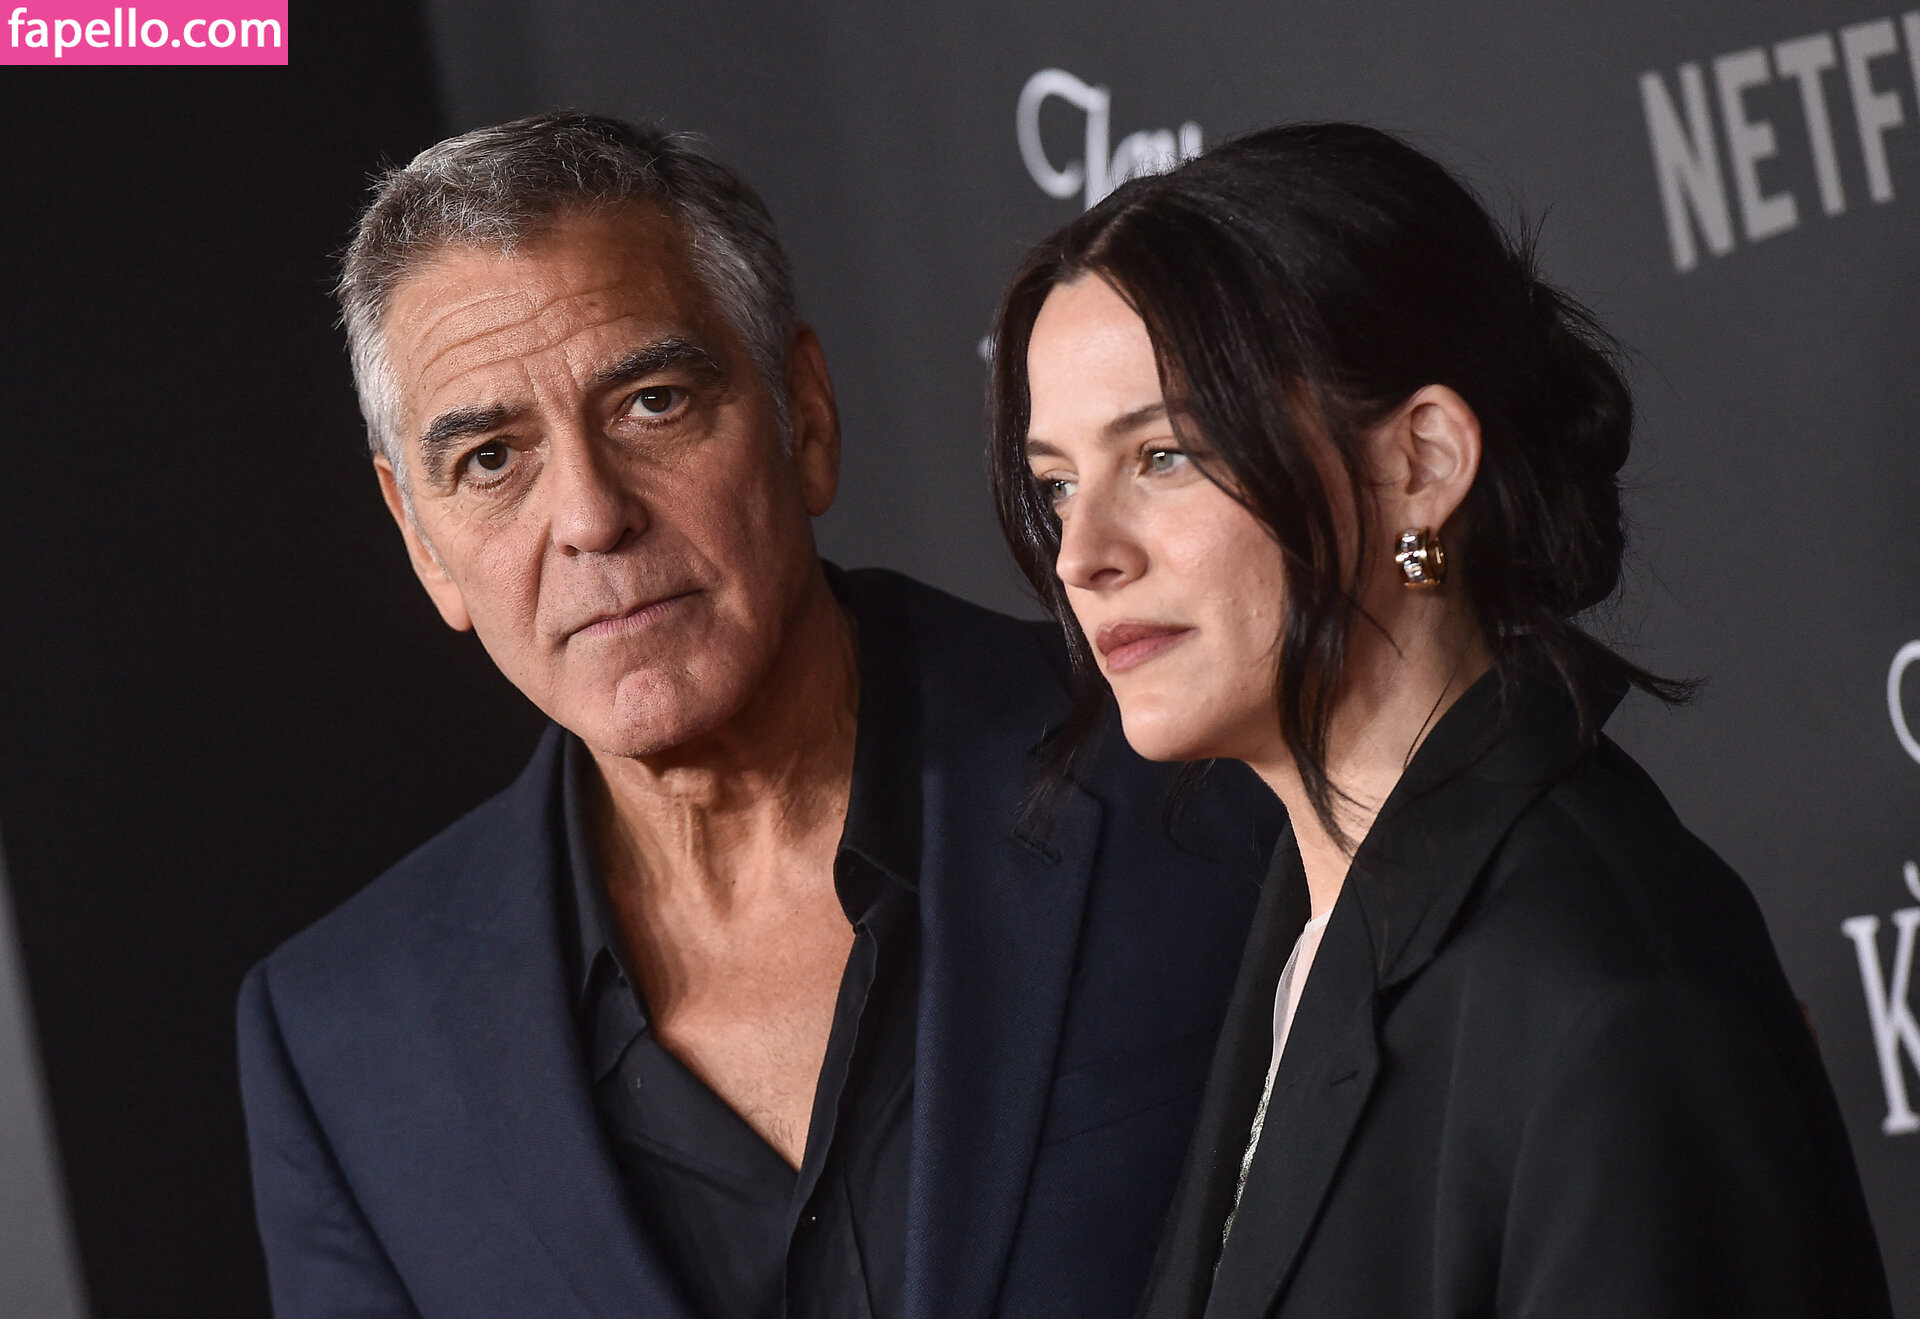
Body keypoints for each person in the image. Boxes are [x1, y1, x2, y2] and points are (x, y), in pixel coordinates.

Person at [236, 111, 1278, 1319]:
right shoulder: (342, 1044)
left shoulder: (1192, 770)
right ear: (423, 541)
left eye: (652, 403)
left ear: (806, 414)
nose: (591, 516)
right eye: (491, 460)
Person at [987, 123, 1893, 1319]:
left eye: (1162, 455)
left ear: (1420, 465)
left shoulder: (1599, 997)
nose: (1082, 555)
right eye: (1057, 484)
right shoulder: (1303, 925)